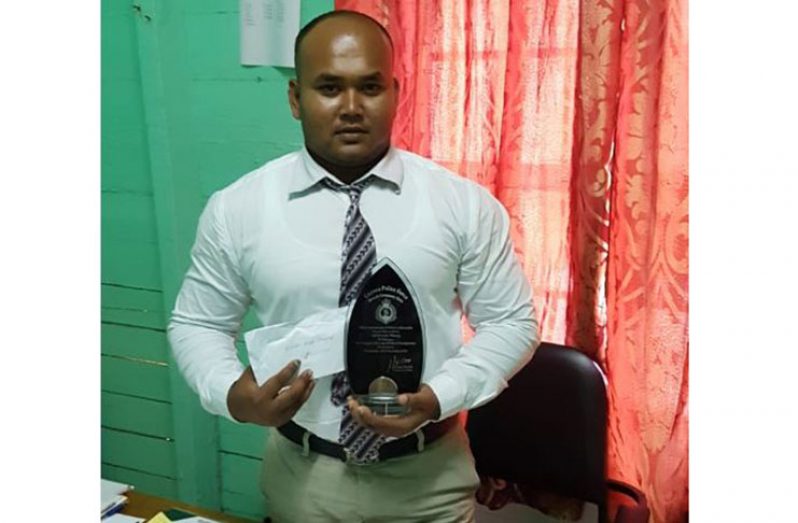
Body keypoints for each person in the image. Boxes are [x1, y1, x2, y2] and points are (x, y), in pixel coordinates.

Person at [168, 9, 539, 523]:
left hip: (428, 481)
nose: (350, 107)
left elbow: (511, 323)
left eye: (369, 87)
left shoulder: (463, 206)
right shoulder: (238, 210)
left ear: (395, 91)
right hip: (303, 481)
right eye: (328, 88)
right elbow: (198, 323)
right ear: (296, 99)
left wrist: (438, 397)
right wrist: (232, 395)